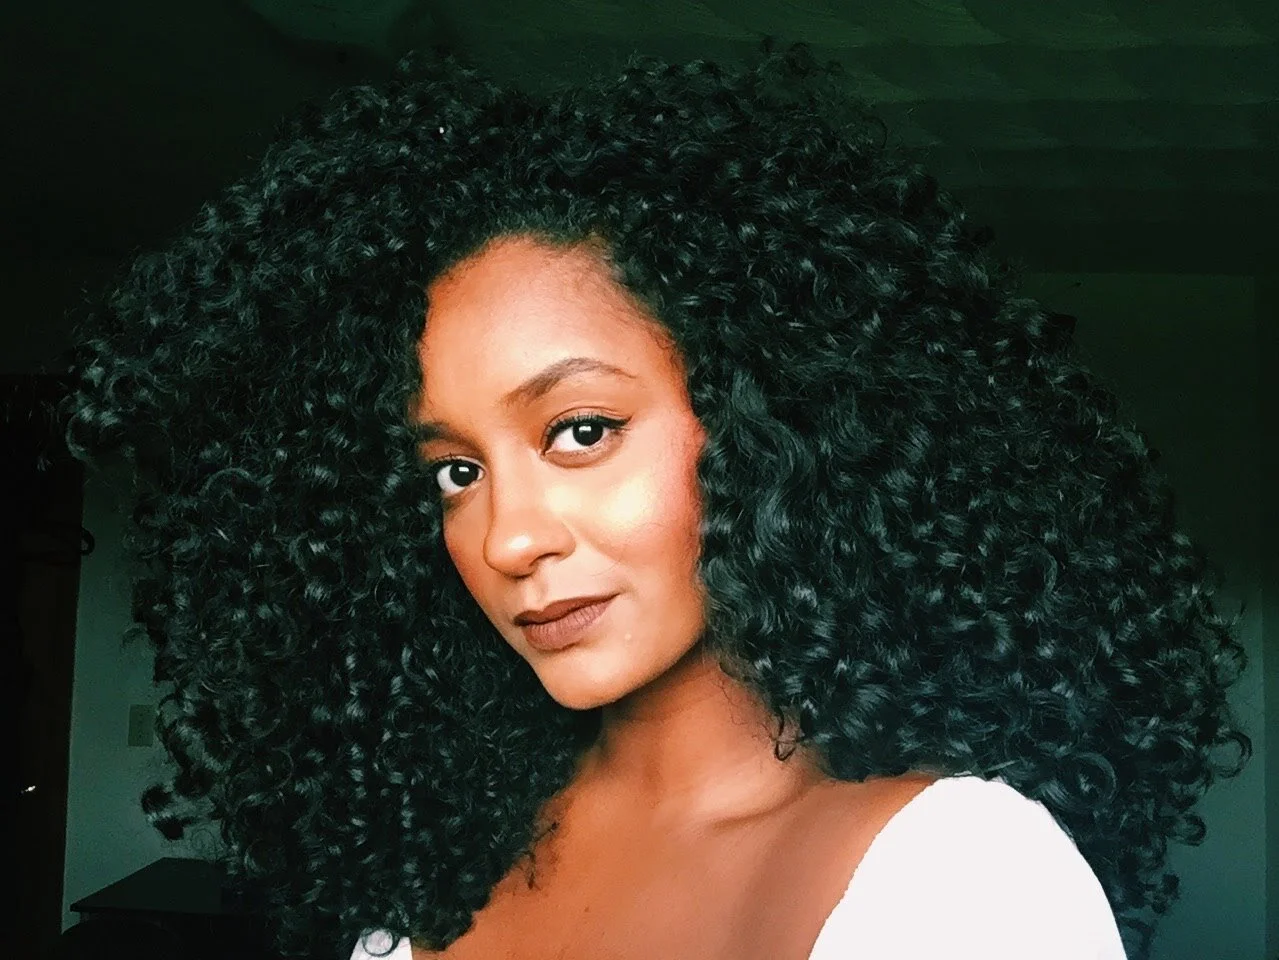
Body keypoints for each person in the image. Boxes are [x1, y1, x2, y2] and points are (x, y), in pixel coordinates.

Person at [63, 46, 1248, 960]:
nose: (509, 537)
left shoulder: (957, 880)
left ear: (767, 421)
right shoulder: (441, 857)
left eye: (580, 431)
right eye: (453, 471)